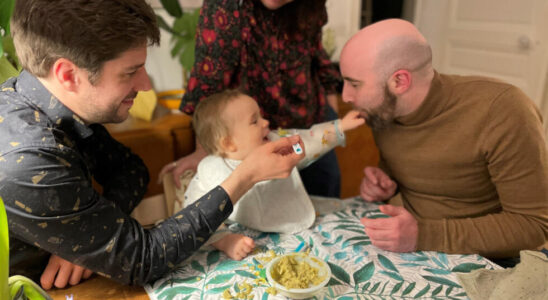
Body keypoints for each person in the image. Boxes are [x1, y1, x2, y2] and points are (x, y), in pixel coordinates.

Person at [0, 0, 303, 289]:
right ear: (68, 75)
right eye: (130, 72)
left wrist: (88, 236)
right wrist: (246, 175)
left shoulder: (56, 104)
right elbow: (143, 258)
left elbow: (132, 170)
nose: (145, 85)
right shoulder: (27, 160)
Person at [339, 19, 548, 265]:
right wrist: (386, 184)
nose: (345, 96)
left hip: (485, 260)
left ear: (399, 82)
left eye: (354, 84)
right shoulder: (384, 111)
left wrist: (423, 235)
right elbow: (415, 168)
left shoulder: (502, 110)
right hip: (411, 248)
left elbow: (534, 225)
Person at [160, 0, 344, 198]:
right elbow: (210, 79)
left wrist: (333, 116)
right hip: (255, 140)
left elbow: (317, 57)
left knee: (323, 196)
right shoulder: (225, 5)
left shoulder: (311, 7)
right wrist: (202, 150)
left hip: (309, 126)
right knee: (266, 207)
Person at [173, 90, 364, 260]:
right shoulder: (211, 169)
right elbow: (195, 214)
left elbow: (306, 140)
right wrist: (224, 241)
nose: (266, 122)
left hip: (295, 224)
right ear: (229, 143)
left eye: (261, 116)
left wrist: (340, 126)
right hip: (244, 233)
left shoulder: (277, 143)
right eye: (255, 121)